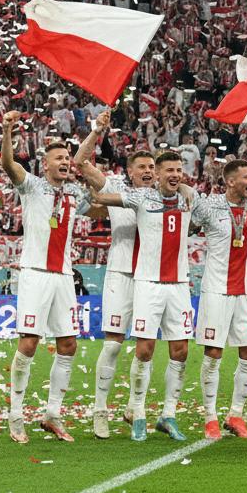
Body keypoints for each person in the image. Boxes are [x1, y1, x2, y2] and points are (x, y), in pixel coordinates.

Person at [93, 150, 211, 442]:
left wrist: (189, 189)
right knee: (144, 349)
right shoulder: (142, 198)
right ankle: (138, 411)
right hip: (147, 283)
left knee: (180, 351)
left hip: (179, 284)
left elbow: (207, 215)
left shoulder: (189, 199)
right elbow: (103, 197)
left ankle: (168, 415)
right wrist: (94, 192)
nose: (175, 175)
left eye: (179, 170)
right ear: (157, 174)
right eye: (169, 170)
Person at [1, 111, 90, 445]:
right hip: (36, 274)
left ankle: (52, 414)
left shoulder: (74, 194)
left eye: (67, 158)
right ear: (46, 164)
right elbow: (9, 165)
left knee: (68, 344)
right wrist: (7, 130)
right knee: (29, 343)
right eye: (59, 158)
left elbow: (98, 203)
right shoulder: (32, 186)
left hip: (64, 276)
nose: (65, 162)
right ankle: (15, 415)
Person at [77, 108, 156, 439]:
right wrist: (97, 130)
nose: (148, 171)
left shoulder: (165, 197)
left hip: (151, 279)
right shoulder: (113, 187)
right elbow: (81, 162)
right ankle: (100, 410)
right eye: (143, 167)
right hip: (121, 275)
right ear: (130, 172)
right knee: (112, 345)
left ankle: (135, 407)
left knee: (146, 347)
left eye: (152, 167)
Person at [193, 158, 247, 440]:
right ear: (230, 181)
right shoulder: (210, 206)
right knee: (214, 353)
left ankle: (236, 415)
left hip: (246, 291)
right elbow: (188, 223)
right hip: (216, 289)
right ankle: (210, 418)